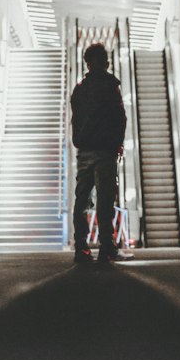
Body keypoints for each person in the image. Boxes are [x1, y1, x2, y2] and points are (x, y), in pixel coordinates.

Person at [70, 43, 126, 264]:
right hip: (105, 151)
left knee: (81, 199)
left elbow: (76, 119)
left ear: (86, 63)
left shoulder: (79, 90)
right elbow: (119, 118)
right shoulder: (111, 87)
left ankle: (81, 247)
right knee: (104, 201)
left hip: (84, 151)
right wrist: (117, 143)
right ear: (106, 62)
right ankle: (106, 247)